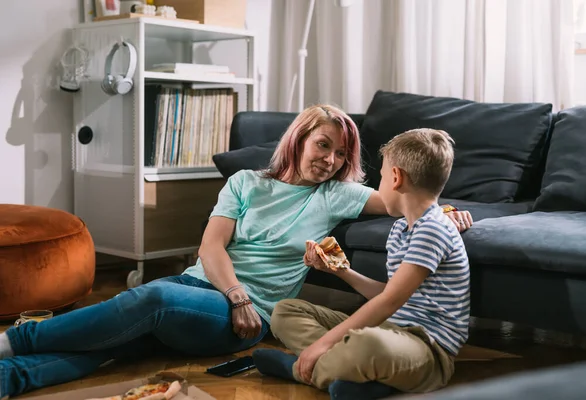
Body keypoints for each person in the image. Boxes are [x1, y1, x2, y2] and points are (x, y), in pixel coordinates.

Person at [0, 106, 472, 398]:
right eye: (322, 145)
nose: (329, 159)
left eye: (339, 153)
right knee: (115, 347)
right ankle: (11, 378)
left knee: (152, 297)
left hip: (246, 317)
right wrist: (233, 291)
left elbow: (405, 198)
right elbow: (211, 245)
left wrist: (448, 208)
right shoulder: (245, 183)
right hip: (205, 291)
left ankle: (15, 340)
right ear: (299, 140)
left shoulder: (335, 194)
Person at [252, 128, 471, 400]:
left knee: (368, 344)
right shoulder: (401, 228)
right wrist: (342, 272)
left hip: (428, 350)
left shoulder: (433, 229)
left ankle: (301, 369)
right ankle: (356, 379)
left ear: (395, 177)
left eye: (380, 177)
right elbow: (391, 294)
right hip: (388, 329)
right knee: (285, 311)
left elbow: (388, 301)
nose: (379, 184)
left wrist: (321, 344)